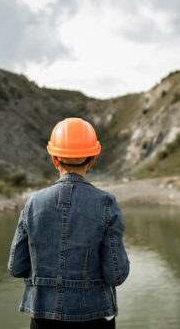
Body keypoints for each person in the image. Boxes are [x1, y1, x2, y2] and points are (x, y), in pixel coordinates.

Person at [8, 117, 130, 329]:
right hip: (95, 316)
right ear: (92, 159)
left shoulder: (33, 202)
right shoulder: (106, 203)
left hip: (42, 316)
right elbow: (116, 274)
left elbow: (16, 267)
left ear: (55, 159)